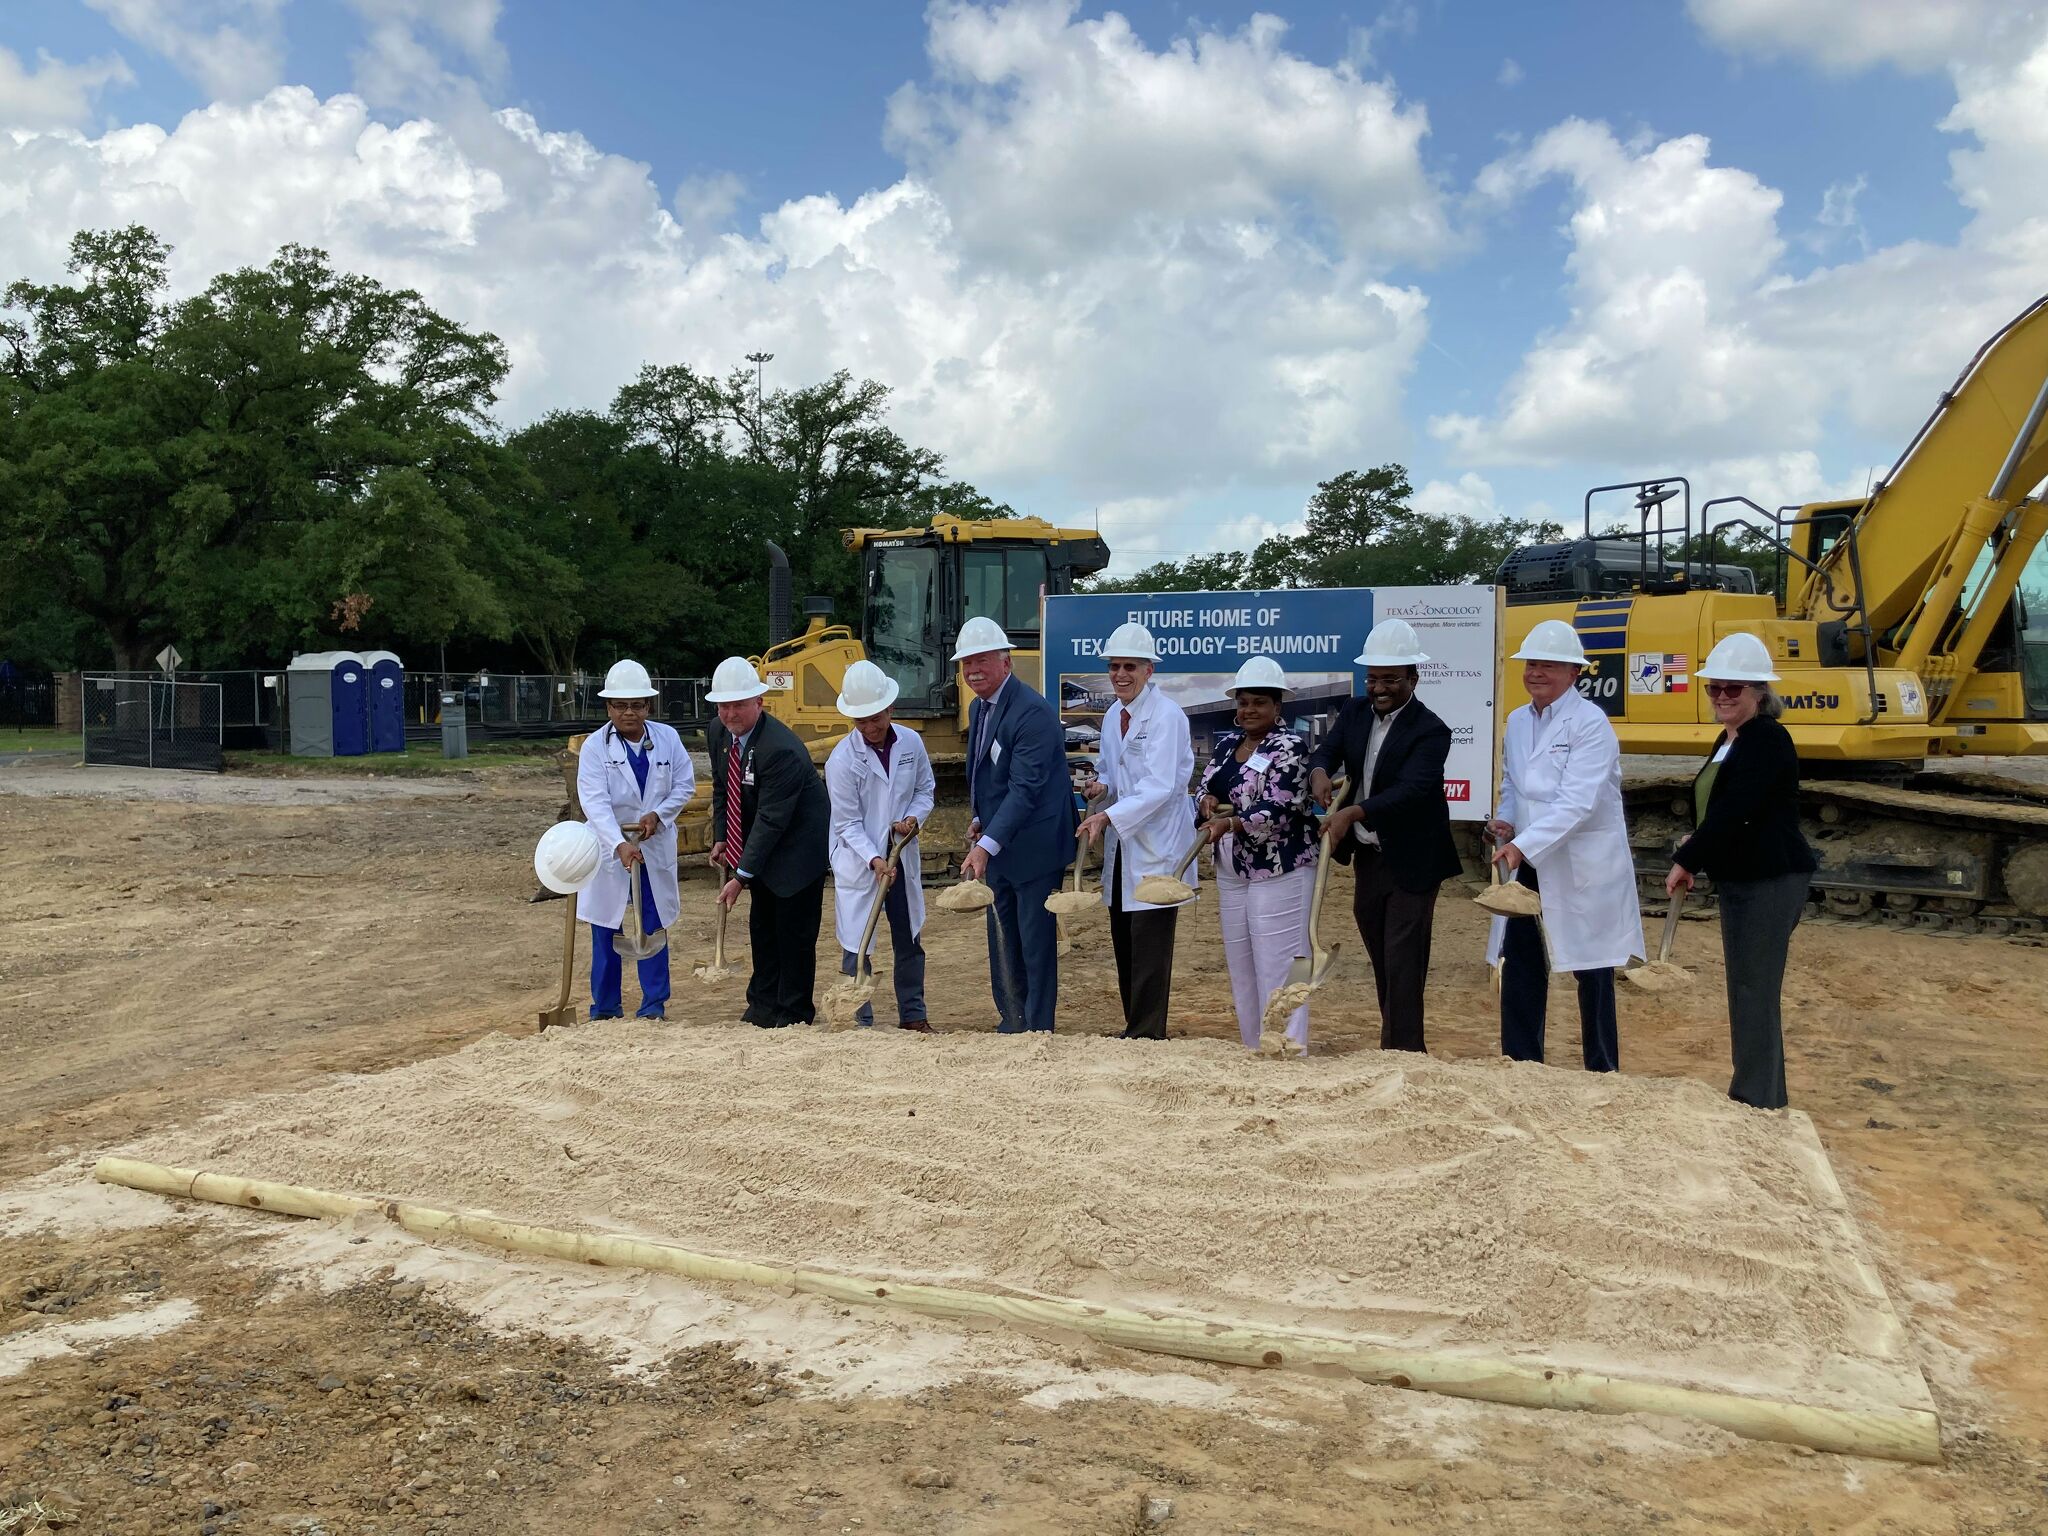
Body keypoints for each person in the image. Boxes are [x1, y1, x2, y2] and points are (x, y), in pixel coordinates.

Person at [1665, 633, 1816, 1110]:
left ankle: (1758, 1098)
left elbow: (1740, 811)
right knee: (1746, 984)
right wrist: (1697, 845)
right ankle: (1757, 1090)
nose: (1723, 696)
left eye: (1734, 689)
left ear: (1759, 693)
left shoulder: (1767, 739)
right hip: (1742, 877)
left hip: (1769, 878)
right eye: (1715, 688)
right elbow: (1718, 808)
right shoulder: (1731, 738)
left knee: (1755, 986)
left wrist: (1689, 859)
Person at [1486, 618, 1644, 1072]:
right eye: (1531, 664)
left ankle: (1602, 1066)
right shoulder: (1517, 721)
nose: (1536, 673)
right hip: (1532, 859)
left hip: (1580, 861)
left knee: (1592, 967)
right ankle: (1521, 1061)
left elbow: (1578, 801)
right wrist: (1508, 820)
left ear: (1574, 673)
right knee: (1520, 961)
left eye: (1549, 666)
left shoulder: (1590, 724)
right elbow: (1514, 782)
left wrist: (1523, 845)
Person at [1307, 618, 1464, 1053]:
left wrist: (1353, 812)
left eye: (1391, 679)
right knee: (1383, 954)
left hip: (1414, 859)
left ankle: (1406, 1053)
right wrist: (1319, 771)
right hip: (1371, 858)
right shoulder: (1355, 712)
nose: (1379, 688)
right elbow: (1327, 749)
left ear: (1413, 678)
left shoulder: (1431, 730)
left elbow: (1411, 792)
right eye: (1373, 678)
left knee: (1403, 958)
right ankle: (1394, 1041)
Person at [1079, 622, 1197, 1041]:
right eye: (1114, 666)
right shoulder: (1114, 715)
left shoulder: (1166, 716)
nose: (1120, 674)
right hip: (1125, 846)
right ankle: (1135, 1025)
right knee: (1124, 939)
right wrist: (1103, 786)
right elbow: (1114, 770)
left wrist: (1108, 816)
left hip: (1157, 847)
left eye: (1129, 666)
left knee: (1150, 944)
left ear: (1149, 670)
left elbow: (1161, 786)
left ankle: (1147, 1032)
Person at [957, 616, 1075, 1034]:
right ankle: (1012, 1017)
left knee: (1034, 940)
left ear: (1006, 662)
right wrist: (979, 821)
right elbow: (983, 776)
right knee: (1002, 936)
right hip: (999, 841)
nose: (974, 670)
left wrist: (986, 845)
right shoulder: (979, 706)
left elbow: (1025, 790)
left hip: (1036, 846)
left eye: (983, 660)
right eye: (967, 662)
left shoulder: (1033, 713)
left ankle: (1038, 1027)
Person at [1198, 656, 1320, 1051]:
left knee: (1280, 963)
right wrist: (1206, 801)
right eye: (1243, 702)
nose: (1249, 710)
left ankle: (1287, 1047)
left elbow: (1282, 806)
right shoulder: (1227, 744)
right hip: (1233, 867)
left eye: (1259, 702)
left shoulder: (1290, 747)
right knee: (1242, 964)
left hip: (1279, 865)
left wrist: (1231, 823)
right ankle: (1255, 1044)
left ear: (1278, 707)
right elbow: (1204, 785)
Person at [705, 655, 831, 1028]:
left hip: (797, 849)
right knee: (763, 929)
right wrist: (721, 838)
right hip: (761, 846)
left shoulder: (782, 749)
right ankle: (761, 1007)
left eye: (739, 705)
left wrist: (741, 876)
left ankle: (793, 1013)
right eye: (724, 705)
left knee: (792, 932)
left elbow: (772, 820)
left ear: (759, 702)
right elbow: (721, 789)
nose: (730, 714)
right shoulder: (717, 732)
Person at [574, 660, 694, 1021]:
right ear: (608, 707)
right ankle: (606, 1008)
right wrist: (618, 843)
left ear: (648, 706)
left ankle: (653, 1007)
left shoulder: (668, 739)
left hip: (653, 844)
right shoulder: (595, 747)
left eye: (637, 705)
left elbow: (684, 785)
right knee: (607, 926)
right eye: (620, 705)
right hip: (613, 849)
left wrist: (659, 815)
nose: (629, 712)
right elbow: (592, 801)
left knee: (653, 925)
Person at [825, 660, 937, 1032]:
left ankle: (914, 1015)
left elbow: (924, 790)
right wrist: (873, 858)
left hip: (900, 854)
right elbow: (846, 822)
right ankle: (858, 1020)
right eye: (861, 721)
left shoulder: (911, 742)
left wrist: (913, 819)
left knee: (908, 936)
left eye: (876, 717)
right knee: (858, 940)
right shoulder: (842, 759)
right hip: (861, 862)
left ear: (889, 708)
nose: (871, 728)